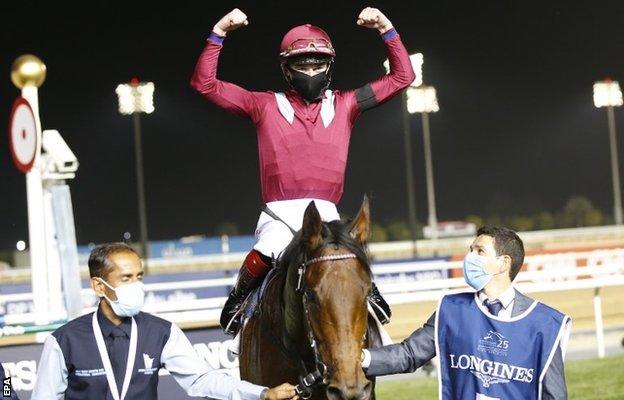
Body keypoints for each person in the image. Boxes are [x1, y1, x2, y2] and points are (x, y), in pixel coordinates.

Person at [191, 7, 415, 334]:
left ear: (330, 67)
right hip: (279, 212)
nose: (310, 70)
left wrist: (387, 28)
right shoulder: (262, 104)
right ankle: (239, 298)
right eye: (301, 63)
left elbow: (403, 77)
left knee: (349, 256)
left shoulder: (346, 104)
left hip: (327, 211)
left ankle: (370, 294)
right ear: (286, 69)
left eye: (318, 63)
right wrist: (218, 32)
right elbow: (204, 84)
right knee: (269, 249)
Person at [31, 243, 296, 400]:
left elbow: (203, 379)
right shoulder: (64, 340)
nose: (136, 285)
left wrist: (262, 394)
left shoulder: (162, 332)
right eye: (126, 278)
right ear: (99, 287)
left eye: (139, 276)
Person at [361, 226, 572, 400]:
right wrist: (357, 358)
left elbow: (554, 396)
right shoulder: (450, 310)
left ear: (503, 263)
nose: (469, 257)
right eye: (470, 250)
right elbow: (408, 355)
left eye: (480, 251)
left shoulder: (545, 324)